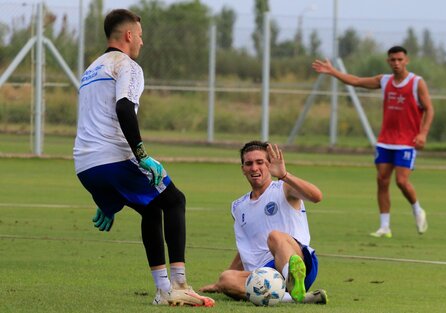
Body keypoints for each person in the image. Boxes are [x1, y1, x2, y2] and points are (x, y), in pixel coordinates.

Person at [73, 9, 214, 307]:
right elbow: (124, 108)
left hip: (85, 166)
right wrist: (142, 156)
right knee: (175, 200)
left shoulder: (91, 69)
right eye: (139, 34)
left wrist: (108, 199)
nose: (142, 41)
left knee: (151, 207)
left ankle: (163, 291)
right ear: (127, 36)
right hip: (114, 158)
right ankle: (179, 284)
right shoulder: (128, 65)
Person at [312, 46, 434, 238]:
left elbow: (429, 109)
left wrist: (423, 133)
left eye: (400, 59)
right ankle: (384, 226)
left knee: (401, 181)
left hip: (406, 142)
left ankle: (417, 210)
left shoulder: (416, 82)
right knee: (381, 180)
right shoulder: (384, 81)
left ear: (406, 60)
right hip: (385, 140)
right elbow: (357, 81)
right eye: (392, 60)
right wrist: (332, 71)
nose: (396, 63)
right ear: (388, 61)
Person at [200, 141, 328, 304]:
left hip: (299, 261)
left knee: (275, 237)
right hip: (265, 274)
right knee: (226, 278)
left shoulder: (284, 188)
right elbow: (247, 247)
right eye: (249, 163)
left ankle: (294, 280)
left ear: (269, 165)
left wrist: (284, 175)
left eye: (260, 162)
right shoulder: (238, 206)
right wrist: (221, 284)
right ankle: (295, 298)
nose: (254, 168)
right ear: (243, 169)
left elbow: (316, 196)